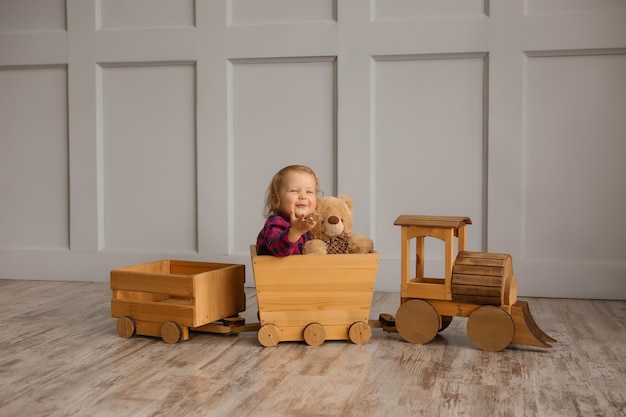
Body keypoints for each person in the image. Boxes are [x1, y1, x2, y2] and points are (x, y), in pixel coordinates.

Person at [256, 165, 320, 256]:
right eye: (294, 190)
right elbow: (278, 249)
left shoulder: (309, 223)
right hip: (278, 270)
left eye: (309, 191)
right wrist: (294, 232)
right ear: (276, 199)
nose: (303, 196)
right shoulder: (276, 223)